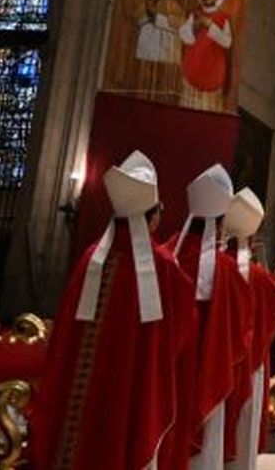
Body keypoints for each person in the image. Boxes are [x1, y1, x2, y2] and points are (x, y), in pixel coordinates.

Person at [29, 152, 199, 470]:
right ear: (152, 216)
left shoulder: (91, 258)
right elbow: (181, 331)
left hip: (81, 395)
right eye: (159, 210)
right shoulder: (161, 266)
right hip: (130, 386)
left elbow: (66, 335)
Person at [169, 164, 252, 470]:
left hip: (170, 363)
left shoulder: (165, 257)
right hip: (209, 365)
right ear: (218, 227)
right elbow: (243, 324)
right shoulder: (227, 268)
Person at [223, 188, 275, 470]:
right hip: (248, 360)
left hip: (213, 359)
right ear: (251, 237)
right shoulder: (258, 275)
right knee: (242, 420)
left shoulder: (211, 266)